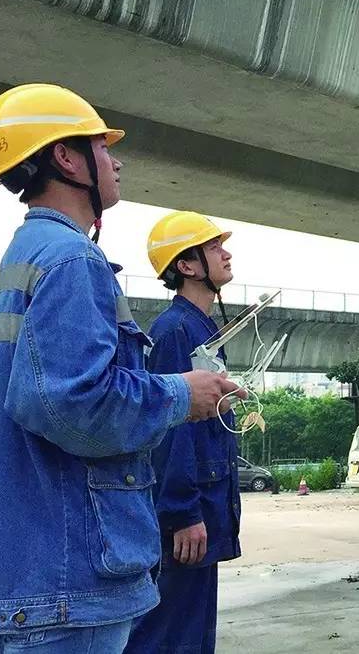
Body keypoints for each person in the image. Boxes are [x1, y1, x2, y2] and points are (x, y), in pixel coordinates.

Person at [0, 84, 246, 652]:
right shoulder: (73, 260)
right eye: (103, 147)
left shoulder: (30, 252)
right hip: (67, 573)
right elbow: (68, 403)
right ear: (65, 157)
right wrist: (181, 395)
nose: (116, 159)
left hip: (37, 568)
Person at [126, 212, 244, 654]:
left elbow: (198, 417)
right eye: (214, 247)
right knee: (168, 637)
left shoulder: (201, 327)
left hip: (205, 505)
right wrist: (182, 513)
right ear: (189, 265)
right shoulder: (176, 330)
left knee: (193, 635)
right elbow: (168, 427)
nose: (226, 253)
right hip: (188, 517)